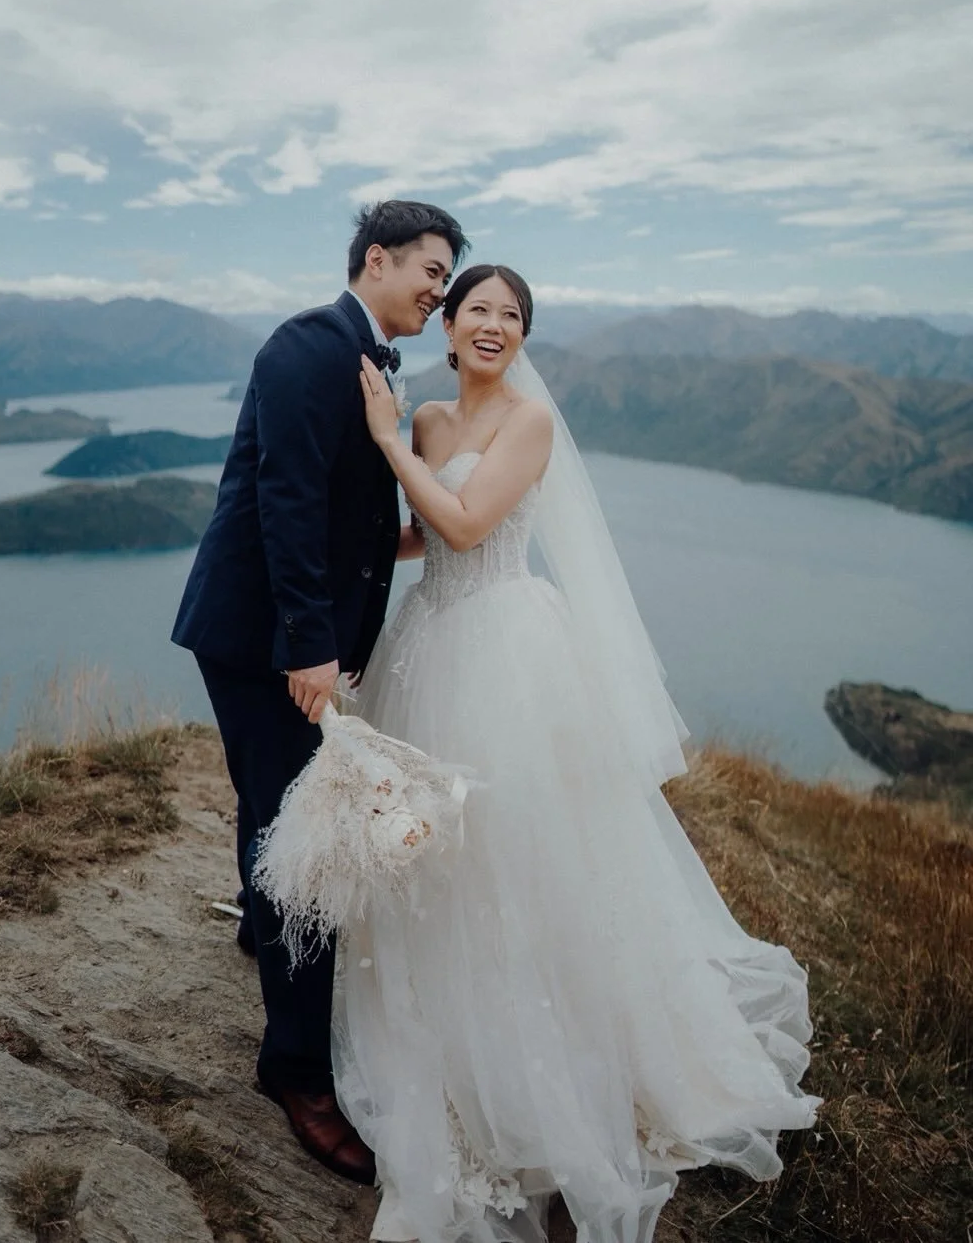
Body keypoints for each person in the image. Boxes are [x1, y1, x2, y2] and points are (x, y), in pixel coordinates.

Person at [338, 264, 820, 1243]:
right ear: (449, 326)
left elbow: (470, 522)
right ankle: (446, 1026)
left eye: (512, 316)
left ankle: (556, 1065)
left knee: (521, 852)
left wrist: (383, 441)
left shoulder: (526, 424)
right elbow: (428, 537)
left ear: (522, 336)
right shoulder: (428, 419)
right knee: (432, 854)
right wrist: (344, 551)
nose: (494, 325)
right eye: (477, 309)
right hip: (427, 643)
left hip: (506, 654)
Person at [171, 201, 469, 1185]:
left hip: (267, 634)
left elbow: (342, 509)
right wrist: (309, 647)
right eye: (430, 272)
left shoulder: (365, 356)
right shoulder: (311, 345)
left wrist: (421, 543)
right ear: (376, 259)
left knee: (272, 801)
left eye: (446, 277)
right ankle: (295, 1071)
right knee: (312, 836)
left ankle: (260, 931)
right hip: (263, 639)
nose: (438, 293)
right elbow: (288, 499)